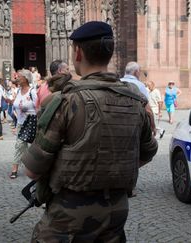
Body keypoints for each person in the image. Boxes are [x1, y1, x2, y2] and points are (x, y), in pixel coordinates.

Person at [22, 21, 158, 242]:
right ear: (110, 52)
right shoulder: (135, 101)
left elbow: (32, 170)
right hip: (116, 211)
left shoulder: (65, 101)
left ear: (78, 53)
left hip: (69, 215)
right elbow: (148, 151)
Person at [10, 69, 37, 179]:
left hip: (31, 123)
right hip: (20, 123)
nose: (17, 78)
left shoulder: (32, 91)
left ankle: (33, 167)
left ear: (25, 79)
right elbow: (16, 105)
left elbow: (38, 107)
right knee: (20, 145)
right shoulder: (18, 91)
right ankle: (15, 168)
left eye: (19, 77)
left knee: (30, 146)